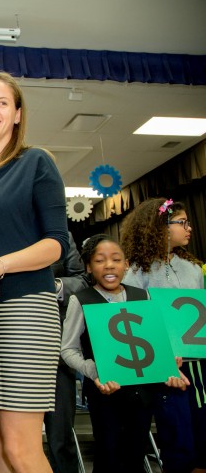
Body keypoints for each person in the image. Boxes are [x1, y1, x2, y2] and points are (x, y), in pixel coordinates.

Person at [0, 71, 69, 473]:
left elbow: (57, 243)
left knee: (22, 448)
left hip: (26, 312)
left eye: (2, 102)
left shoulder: (36, 162)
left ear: (18, 115)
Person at [61, 234, 189, 472]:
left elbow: (155, 342)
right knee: (108, 454)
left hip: (142, 394)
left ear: (126, 264)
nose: (109, 265)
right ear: (88, 267)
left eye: (116, 259)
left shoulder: (143, 297)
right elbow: (67, 349)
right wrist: (93, 370)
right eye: (100, 260)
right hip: (104, 395)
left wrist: (169, 365)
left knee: (135, 452)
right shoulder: (82, 300)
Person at [121, 198, 205, 473]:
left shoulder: (193, 268)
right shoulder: (137, 272)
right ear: (161, 227)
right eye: (182, 222)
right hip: (166, 370)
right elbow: (135, 323)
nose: (188, 228)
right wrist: (164, 360)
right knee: (178, 440)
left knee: (203, 436)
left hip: (199, 366)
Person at [44, 232, 89, 473]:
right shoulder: (4, 231)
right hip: (10, 346)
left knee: (60, 435)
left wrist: (55, 286)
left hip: (56, 351)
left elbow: (82, 280)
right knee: (13, 439)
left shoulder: (61, 236)